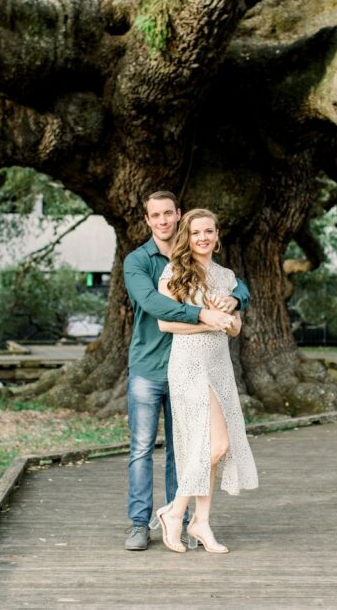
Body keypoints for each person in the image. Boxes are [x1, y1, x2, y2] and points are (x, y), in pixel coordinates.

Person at [122, 191, 250, 551]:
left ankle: (190, 520)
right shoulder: (141, 262)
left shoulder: (211, 265)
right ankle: (141, 522)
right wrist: (206, 317)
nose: (162, 220)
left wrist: (235, 300)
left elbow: (237, 292)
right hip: (152, 365)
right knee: (142, 448)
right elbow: (154, 306)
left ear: (178, 216)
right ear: (147, 220)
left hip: (204, 366)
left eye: (168, 213)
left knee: (191, 448)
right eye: (155, 215)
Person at [154, 208, 258, 554]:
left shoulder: (227, 277)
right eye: (196, 232)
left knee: (208, 446)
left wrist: (227, 317)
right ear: (187, 235)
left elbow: (236, 327)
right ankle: (176, 511)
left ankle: (200, 521)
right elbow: (166, 324)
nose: (203, 238)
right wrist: (208, 320)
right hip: (188, 366)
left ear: (217, 234)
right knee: (216, 445)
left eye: (209, 231)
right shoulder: (174, 272)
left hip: (218, 366)